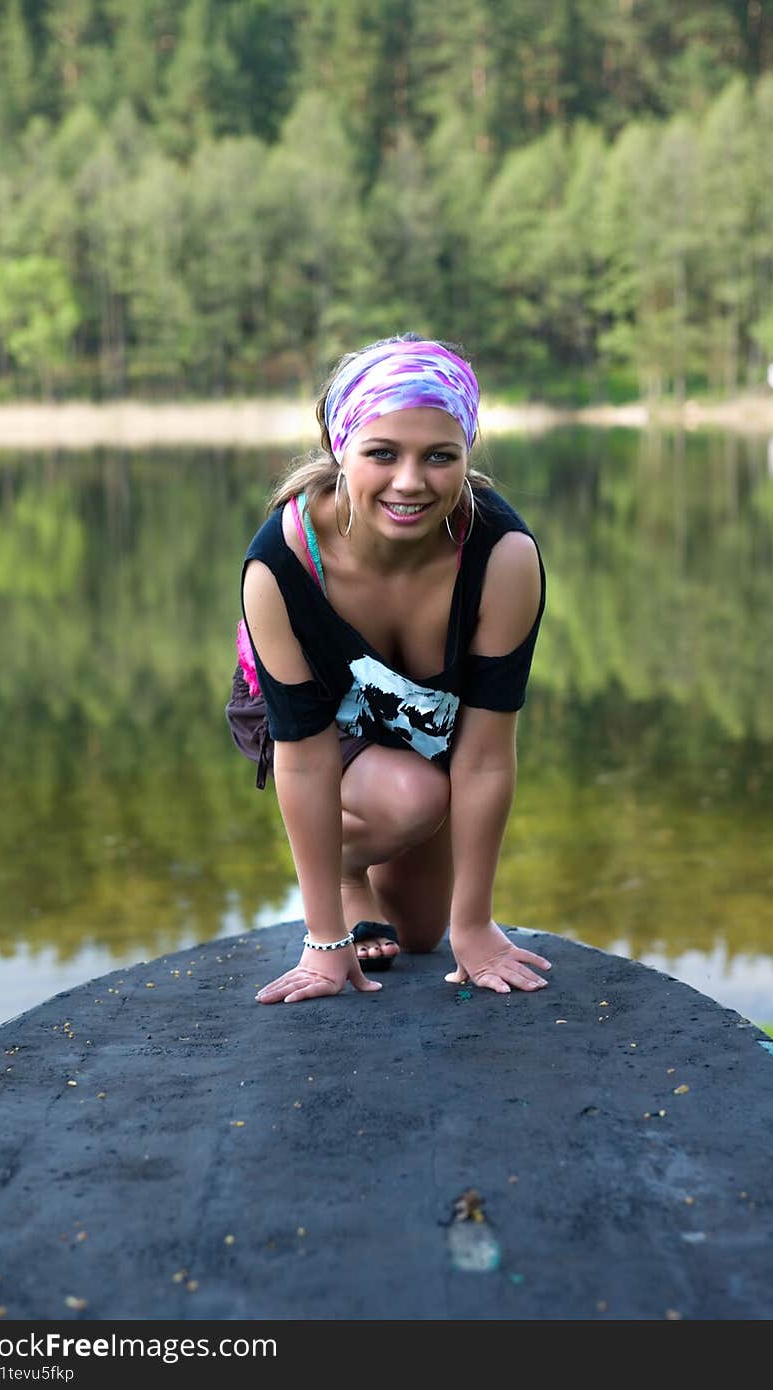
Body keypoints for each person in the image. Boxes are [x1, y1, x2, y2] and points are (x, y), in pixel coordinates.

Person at [226, 333, 550, 1004]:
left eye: (439, 456)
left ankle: (370, 859)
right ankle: (344, 867)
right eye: (382, 454)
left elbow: (486, 756)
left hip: (423, 718)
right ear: (341, 451)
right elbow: (307, 757)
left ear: (468, 454)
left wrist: (476, 923)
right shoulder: (280, 566)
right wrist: (324, 943)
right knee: (414, 800)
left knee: (424, 934)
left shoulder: (503, 558)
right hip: (318, 717)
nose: (410, 482)